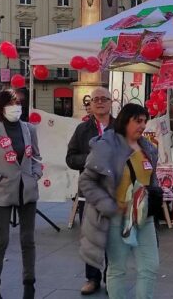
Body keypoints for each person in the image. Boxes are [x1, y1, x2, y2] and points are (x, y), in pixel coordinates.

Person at [79, 103, 162, 299]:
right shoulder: (106, 146)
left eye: (144, 121)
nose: (142, 126)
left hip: (144, 217)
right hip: (117, 217)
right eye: (138, 121)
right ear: (125, 121)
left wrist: (154, 195)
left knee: (150, 266)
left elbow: (151, 176)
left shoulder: (147, 147)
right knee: (117, 269)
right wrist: (109, 206)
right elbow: (86, 180)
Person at [0, 89, 43, 299]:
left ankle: (29, 285)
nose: (17, 107)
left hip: (28, 192)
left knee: (28, 240)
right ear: (2, 107)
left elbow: (37, 156)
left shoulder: (29, 129)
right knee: (1, 241)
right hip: (3, 193)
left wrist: (36, 173)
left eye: (19, 103)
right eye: (12, 103)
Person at [66, 87, 114, 295]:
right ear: (91, 104)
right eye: (96, 99)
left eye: (104, 99)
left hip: (115, 192)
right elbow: (70, 158)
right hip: (91, 191)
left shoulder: (121, 128)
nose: (100, 102)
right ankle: (92, 279)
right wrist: (90, 160)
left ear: (112, 102)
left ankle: (112, 277)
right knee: (91, 238)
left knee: (114, 239)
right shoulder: (82, 130)